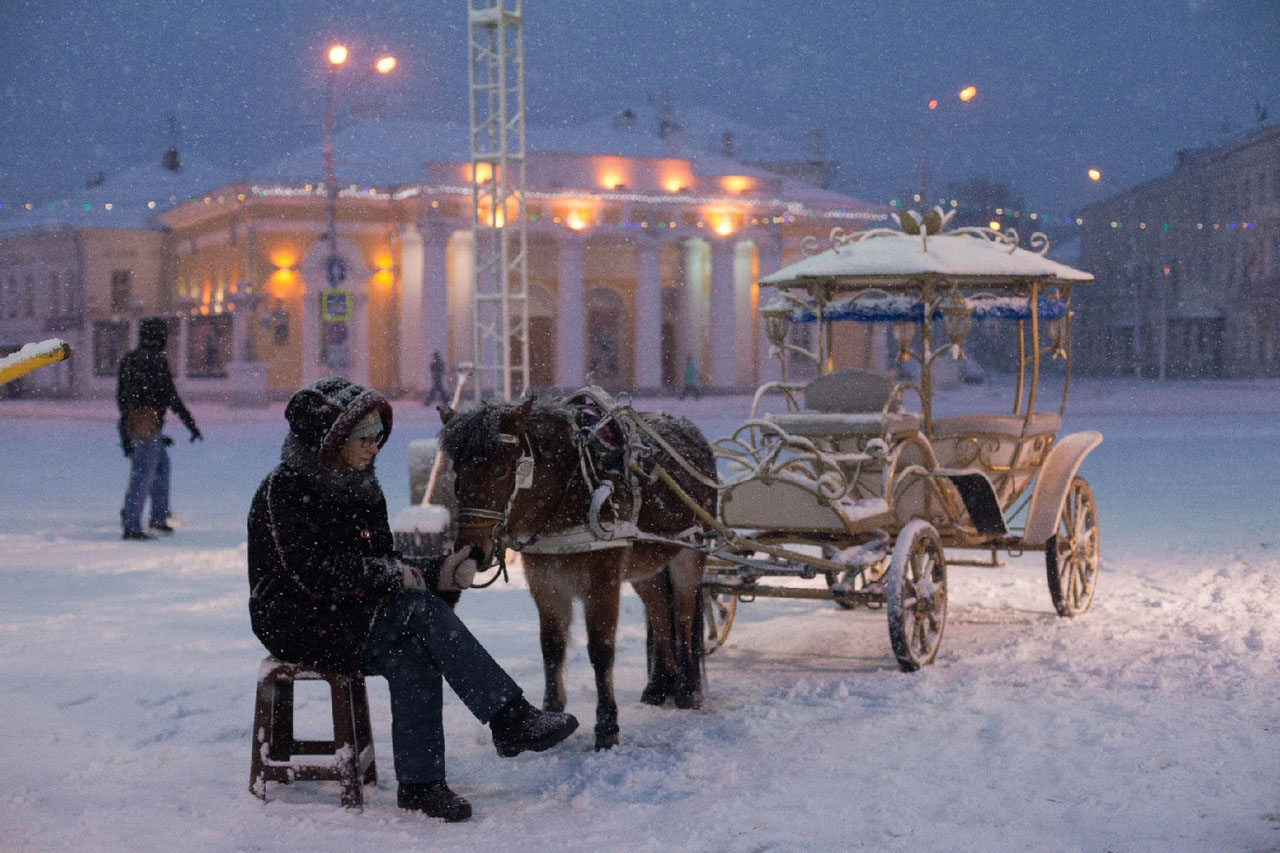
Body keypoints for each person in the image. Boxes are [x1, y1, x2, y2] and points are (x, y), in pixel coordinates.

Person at [247, 377, 578, 822]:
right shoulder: (284, 492)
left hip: (350, 614)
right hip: (296, 621)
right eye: (363, 438)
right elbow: (312, 574)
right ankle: (509, 717)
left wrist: (440, 573)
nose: (373, 447)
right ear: (331, 440)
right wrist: (392, 577)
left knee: (414, 653)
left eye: (378, 437)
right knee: (416, 610)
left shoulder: (362, 487)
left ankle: (422, 786)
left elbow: (382, 560)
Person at [116, 316, 202, 540]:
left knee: (159, 467)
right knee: (144, 473)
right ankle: (133, 525)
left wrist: (125, 428)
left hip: (137, 423)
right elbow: (171, 397)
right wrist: (190, 424)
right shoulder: (156, 361)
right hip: (149, 424)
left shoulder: (130, 359)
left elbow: (122, 398)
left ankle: (157, 517)